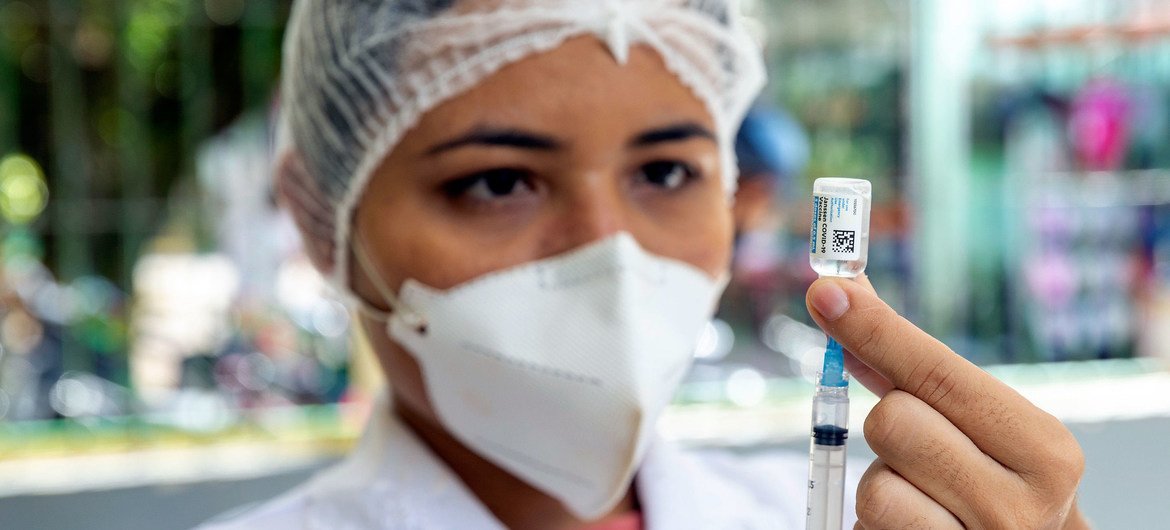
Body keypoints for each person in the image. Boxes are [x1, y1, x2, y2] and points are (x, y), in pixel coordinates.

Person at [200, 1, 1089, 528]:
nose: (608, 251)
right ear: (326, 222)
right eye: (498, 181)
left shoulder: (825, 514)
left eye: (665, 172)